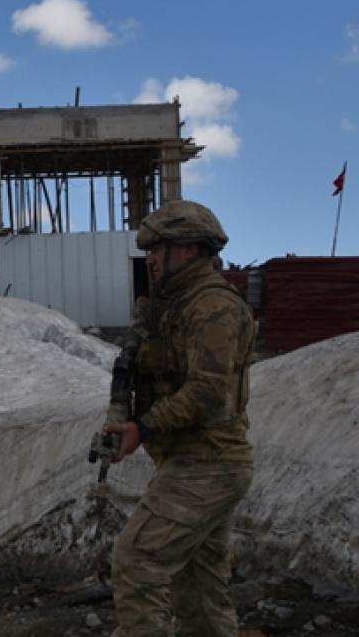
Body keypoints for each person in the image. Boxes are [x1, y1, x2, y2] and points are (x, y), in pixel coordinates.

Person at [104, 199, 256, 636]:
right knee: (198, 586)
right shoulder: (172, 304)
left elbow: (208, 391)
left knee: (137, 559)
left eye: (158, 248)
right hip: (195, 461)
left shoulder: (212, 307)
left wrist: (144, 427)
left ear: (188, 249)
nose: (150, 259)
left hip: (207, 463)